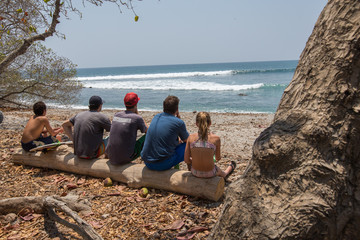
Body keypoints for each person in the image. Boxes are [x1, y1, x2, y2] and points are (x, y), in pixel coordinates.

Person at [141, 95, 189, 171]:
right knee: (189, 146)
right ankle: (191, 172)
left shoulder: (156, 116)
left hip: (147, 162)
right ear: (177, 109)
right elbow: (187, 140)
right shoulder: (179, 123)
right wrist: (179, 119)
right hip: (161, 164)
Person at [184, 112, 236, 178]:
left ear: (196, 124)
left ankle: (229, 168)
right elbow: (218, 158)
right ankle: (228, 170)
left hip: (195, 172)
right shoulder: (216, 139)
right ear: (210, 123)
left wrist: (195, 160)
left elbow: (186, 160)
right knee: (221, 172)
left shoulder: (190, 137)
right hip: (210, 173)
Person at [106, 92, 148, 165]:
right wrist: (137, 114)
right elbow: (148, 131)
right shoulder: (137, 118)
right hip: (125, 158)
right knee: (147, 136)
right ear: (136, 104)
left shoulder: (117, 115)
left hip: (110, 155)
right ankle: (147, 160)